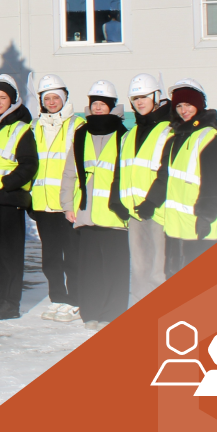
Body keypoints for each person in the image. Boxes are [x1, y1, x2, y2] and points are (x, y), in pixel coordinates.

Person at [138, 79, 217, 277]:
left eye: (188, 104)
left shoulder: (208, 136)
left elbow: (214, 182)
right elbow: (165, 176)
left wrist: (206, 216)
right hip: (177, 226)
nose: (183, 110)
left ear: (199, 104)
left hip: (201, 227)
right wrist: (151, 202)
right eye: (179, 106)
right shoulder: (175, 138)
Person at [61, 81, 130, 330]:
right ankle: (91, 311)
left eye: (103, 104)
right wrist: (67, 204)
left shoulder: (124, 135)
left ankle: (113, 313)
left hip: (115, 216)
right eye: (94, 104)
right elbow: (70, 172)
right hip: (87, 214)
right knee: (89, 269)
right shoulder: (81, 134)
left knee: (114, 269)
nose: (98, 108)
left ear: (112, 106)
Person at [0, 74, 38, 320]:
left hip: (9, 202)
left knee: (9, 255)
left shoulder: (21, 129)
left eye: (3, 97)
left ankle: (10, 304)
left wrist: (6, 184)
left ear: (12, 100)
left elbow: (29, 164)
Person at [29, 74, 83, 323]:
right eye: (47, 98)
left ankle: (75, 300)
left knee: (72, 256)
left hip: (68, 205)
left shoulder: (77, 125)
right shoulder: (35, 127)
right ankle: (57, 298)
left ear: (64, 98)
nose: (51, 102)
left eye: (55, 97)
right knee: (50, 258)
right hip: (43, 204)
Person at [119, 74, 172, 304]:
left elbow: (167, 171)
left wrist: (152, 202)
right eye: (135, 98)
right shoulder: (130, 134)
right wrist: (120, 202)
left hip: (158, 211)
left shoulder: (168, 130)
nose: (139, 102)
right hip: (135, 213)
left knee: (158, 271)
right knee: (139, 269)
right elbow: (122, 170)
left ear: (156, 97)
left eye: (144, 97)